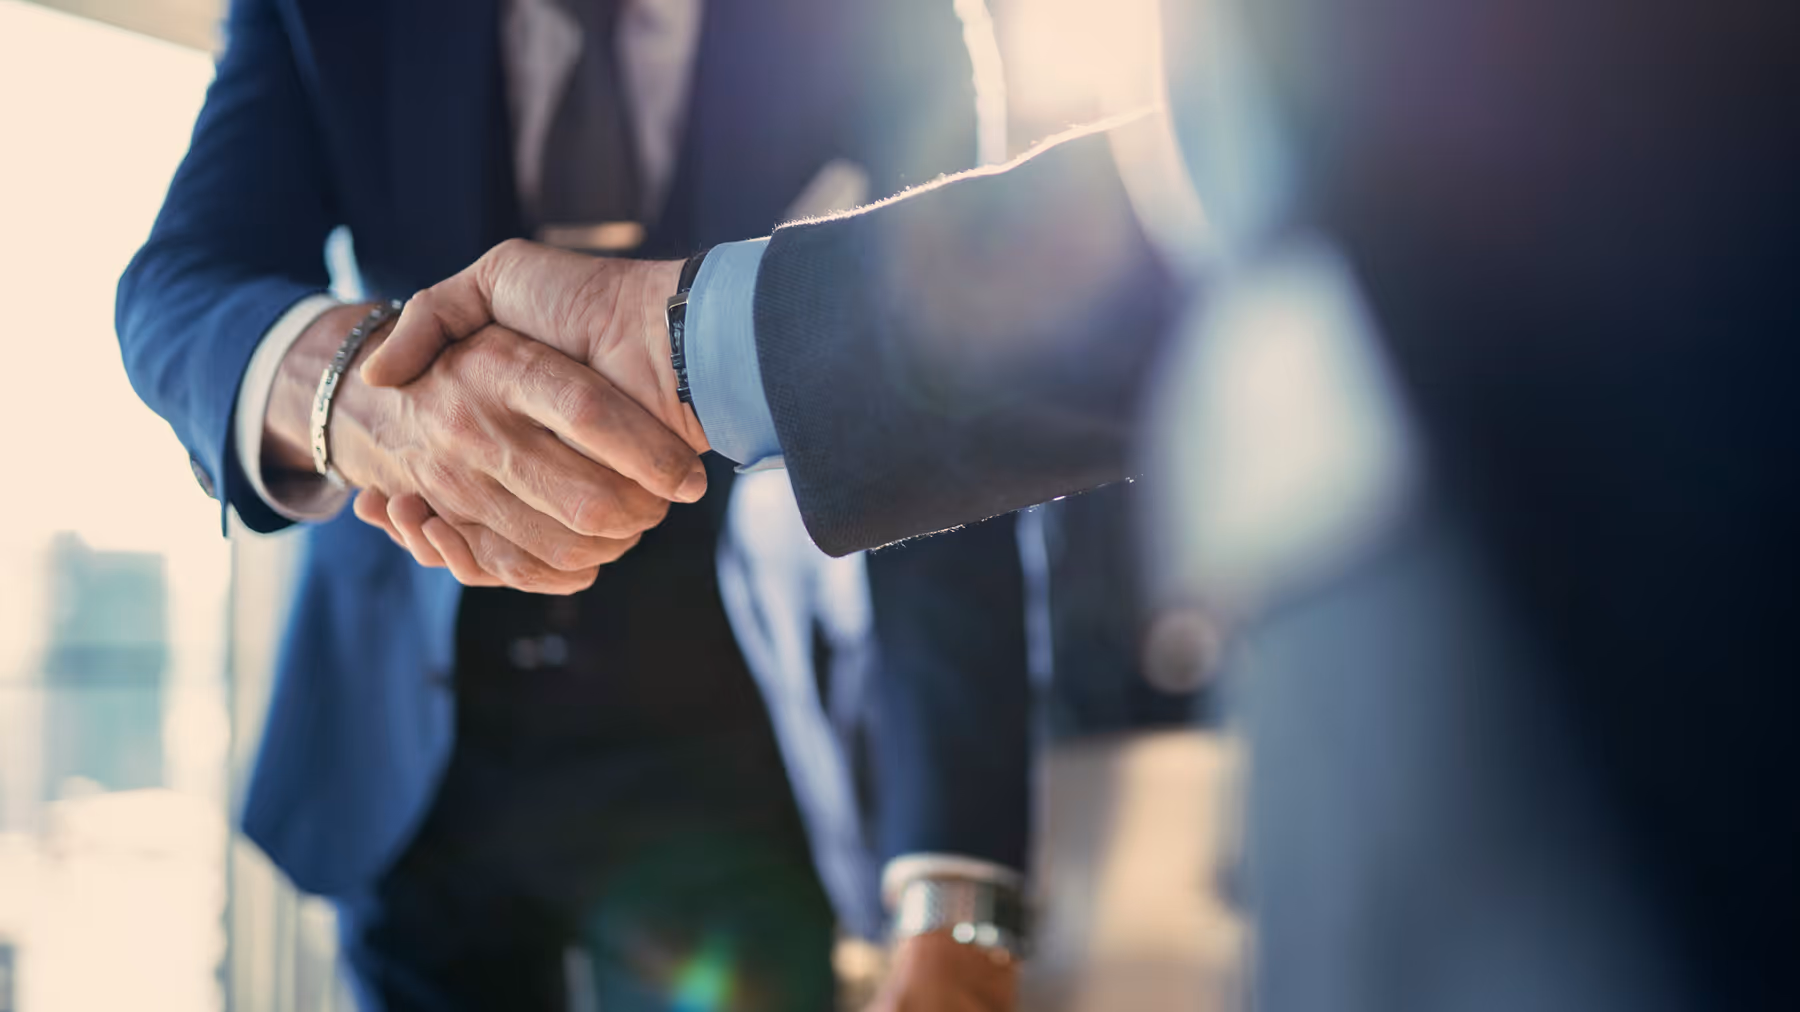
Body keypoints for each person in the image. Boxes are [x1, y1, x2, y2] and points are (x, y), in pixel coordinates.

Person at [358, 0, 1798, 1007]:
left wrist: (958, 899)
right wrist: (683, 345)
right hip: (400, 808)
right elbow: (1239, 183)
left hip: (1611, 718)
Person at [116, 0, 1035, 1008]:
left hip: (720, 737)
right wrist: (356, 390)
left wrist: (954, 898)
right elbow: (182, 283)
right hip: (412, 752)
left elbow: (947, 397)